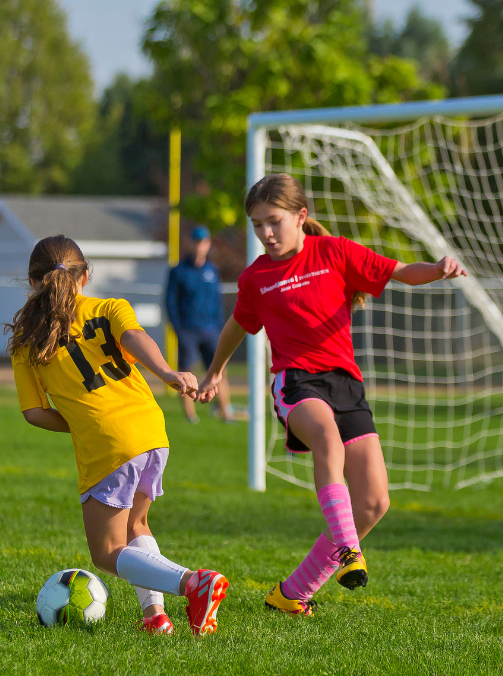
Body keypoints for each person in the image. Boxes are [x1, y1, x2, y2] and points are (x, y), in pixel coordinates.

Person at [198, 174, 466, 616]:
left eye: (274, 221)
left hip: (346, 385)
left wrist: (438, 269)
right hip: (296, 383)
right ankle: (348, 549)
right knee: (326, 437)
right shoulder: (256, 278)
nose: (266, 233)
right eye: (257, 224)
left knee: (374, 503)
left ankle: (291, 594)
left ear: (300, 216)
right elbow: (237, 327)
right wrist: (214, 372)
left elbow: (401, 272)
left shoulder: (335, 252)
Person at [8, 235, 229, 636]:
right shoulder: (110, 307)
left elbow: (34, 413)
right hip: (150, 428)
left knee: (107, 552)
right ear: (85, 277)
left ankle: (193, 583)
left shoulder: (27, 341)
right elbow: (135, 338)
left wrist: (85, 422)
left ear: (33, 281)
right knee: (136, 526)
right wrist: (167, 373)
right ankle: (155, 617)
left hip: (109, 443)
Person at [165, 225, 236, 423]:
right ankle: (191, 416)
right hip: (187, 329)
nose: (200, 246)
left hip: (211, 329)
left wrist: (219, 327)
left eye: (203, 242)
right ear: (191, 243)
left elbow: (218, 302)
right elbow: (170, 301)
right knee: (187, 372)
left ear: (208, 244)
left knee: (219, 371)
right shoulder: (178, 271)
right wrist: (178, 328)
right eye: (197, 241)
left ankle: (226, 413)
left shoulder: (212, 269)